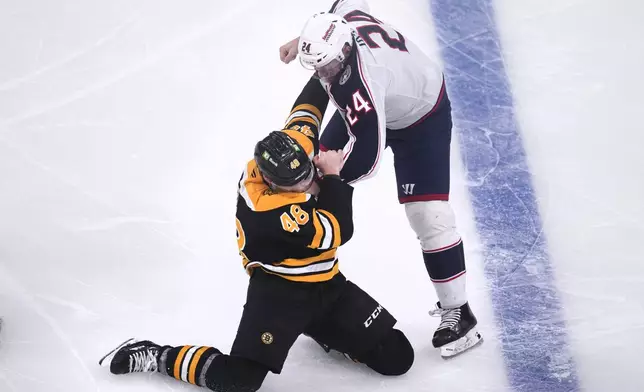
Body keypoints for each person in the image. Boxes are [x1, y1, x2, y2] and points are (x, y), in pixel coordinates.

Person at [98, 77, 414, 391]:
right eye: (297, 184)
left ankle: (324, 330)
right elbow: (338, 230)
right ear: (271, 181)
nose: (306, 183)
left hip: (326, 283)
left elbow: (306, 113)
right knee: (238, 382)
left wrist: (326, 67)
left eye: (307, 173)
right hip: (280, 295)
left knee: (397, 356)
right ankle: (156, 355)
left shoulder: (288, 152)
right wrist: (331, 177)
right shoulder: (271, 212)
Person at [278, 0, 482, 357]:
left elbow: (368, 160)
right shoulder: (339, 36)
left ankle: (459, 312)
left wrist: (326, 183)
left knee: (428, 216)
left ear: (344, 50)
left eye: (328, 66)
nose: (324, 75)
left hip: (421, 119)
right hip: (389, 97)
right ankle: (301, 280)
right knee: (308, 168)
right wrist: (304, 40)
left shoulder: (364, 83)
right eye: (316, 66)